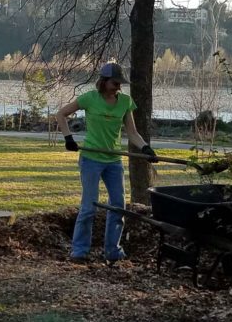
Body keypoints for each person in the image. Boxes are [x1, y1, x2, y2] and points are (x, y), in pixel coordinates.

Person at [54, 61, 156, 263]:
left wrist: (145, 148)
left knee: (118, 206)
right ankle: (79, 251)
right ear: (103, 81)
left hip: (113, 161)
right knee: (89, 206)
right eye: (114, 83)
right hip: (91, 159)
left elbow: (132, 132)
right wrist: (68, 138)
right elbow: (61, 114)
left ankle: (113, 251)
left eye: (119, 83)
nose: (118, 86)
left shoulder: (125, 102)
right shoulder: (89, 99)